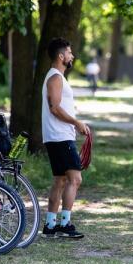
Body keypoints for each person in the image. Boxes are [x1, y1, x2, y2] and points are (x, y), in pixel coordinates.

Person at [41, 37, 90, 239]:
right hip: (60, 136)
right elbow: (55, 108)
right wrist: (76, 123)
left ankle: (50, 225)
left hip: (59, 136)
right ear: (61, 56)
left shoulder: (58, 77)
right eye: (69, 53)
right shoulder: (55, 78)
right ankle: (65, 224)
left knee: (60, 180)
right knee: (75, 179)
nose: (72, 56)